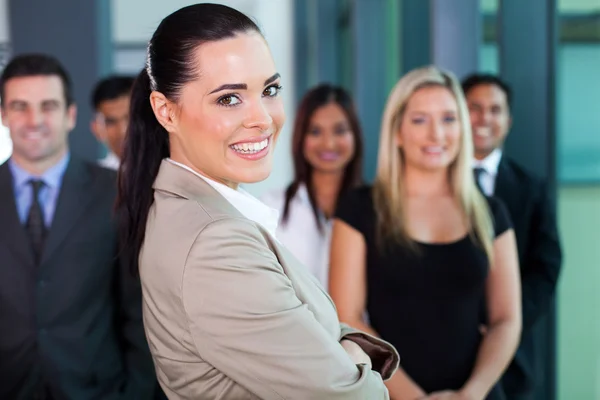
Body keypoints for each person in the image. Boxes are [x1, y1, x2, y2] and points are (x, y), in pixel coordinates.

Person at [115, 4, 399, 399]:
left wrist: (338, 349)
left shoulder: (196, 212)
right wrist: (346, 349)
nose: (263, 118)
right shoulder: (215, 245)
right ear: (166, 111)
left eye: (269, 90)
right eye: (229, 99)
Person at [329, 66, 522, 400]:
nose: (437, 134)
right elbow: (348, 316)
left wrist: (472, 393)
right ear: (398, 132)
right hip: (389, 393)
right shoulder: (360, 209)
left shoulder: (491, 212)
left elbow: (506, 319)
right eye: (420, 120)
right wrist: (415, 397)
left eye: (449, 119)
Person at [0, 54, 157, 399]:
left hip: (98, 390)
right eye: (20, 106)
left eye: (48, 105)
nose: (34, 119)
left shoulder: (117, 192)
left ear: (71, 115)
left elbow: (139, 309)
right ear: (3, 115)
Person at [462, 73, 562, 399]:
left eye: (495, 110)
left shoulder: (531, 187)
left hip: (513, 354)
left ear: (508, 120)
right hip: (442, 342)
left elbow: (545, 266)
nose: (484, 118)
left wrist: (502, 322)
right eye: (474, 108)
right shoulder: (428, 186)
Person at [261, 84, 363, 289]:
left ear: (355, 136)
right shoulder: (271, 209)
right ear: (301, 137)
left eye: (340, 130)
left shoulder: (375, 210)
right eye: (315, 131)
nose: (329, 143)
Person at [90, 75, 135, 170]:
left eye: (131, 118)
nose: (122, 131)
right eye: (111, 122)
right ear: (96, 129)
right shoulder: (93, 181)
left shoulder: (171, 172)